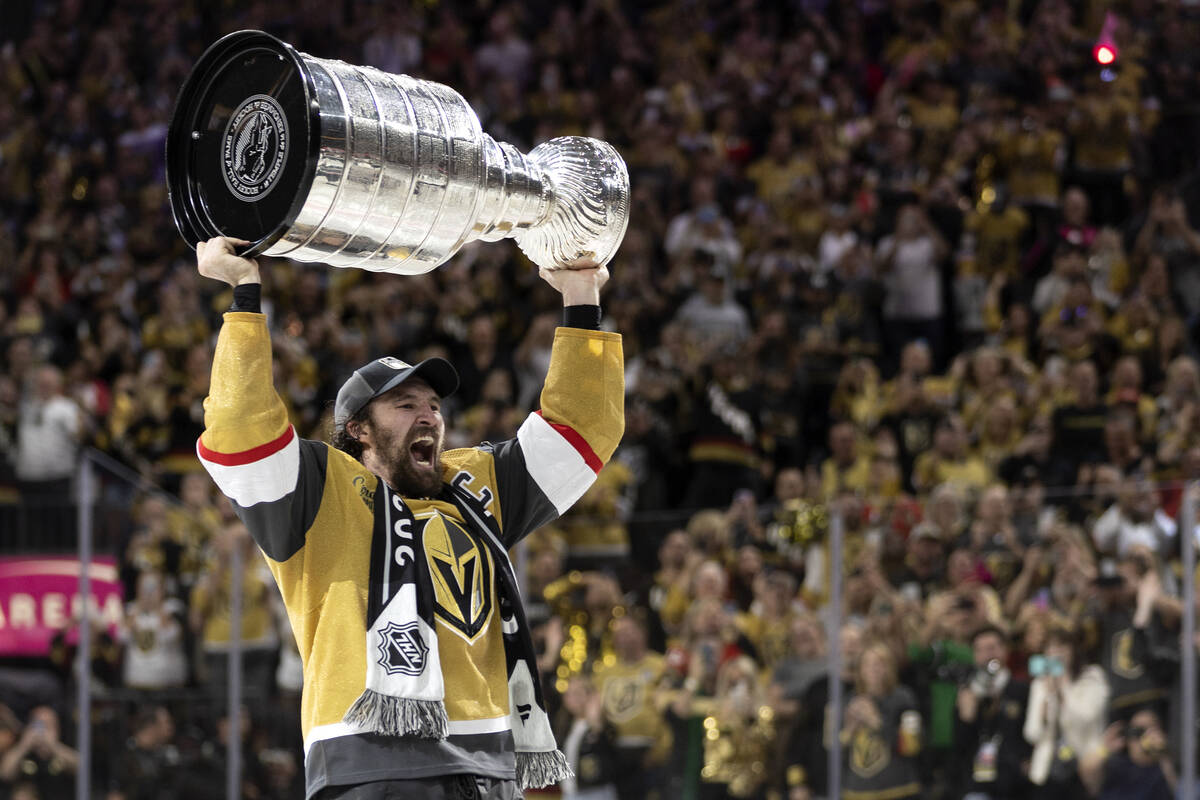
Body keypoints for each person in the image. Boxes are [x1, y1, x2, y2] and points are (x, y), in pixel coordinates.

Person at [194, 237, 624, 800]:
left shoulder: (474, 484)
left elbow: (579, 430)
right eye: (405, 406)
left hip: (490, 770)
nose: (428, 416)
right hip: (371, 769)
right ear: (359, 431)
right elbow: (242, 436)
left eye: (434, 406)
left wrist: (581, 298)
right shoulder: (319, 492)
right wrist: (245, 296)